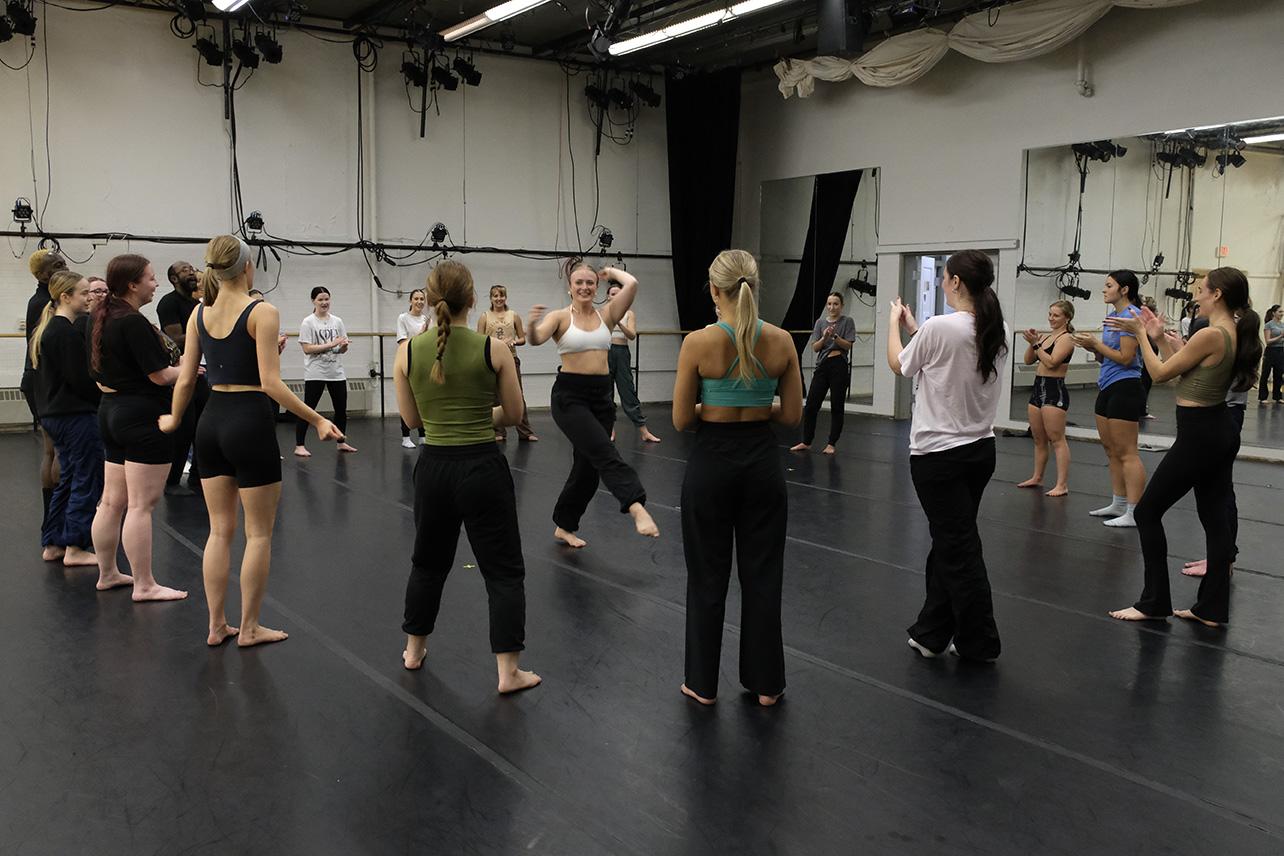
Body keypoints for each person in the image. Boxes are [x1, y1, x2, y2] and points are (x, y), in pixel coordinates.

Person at [162, 236, 343, 646]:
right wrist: (316, 419)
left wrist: (174, 417)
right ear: (247, 268)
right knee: (258, 534)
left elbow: (187, 377)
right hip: (248, 422)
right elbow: (270, 383)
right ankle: (248, 628)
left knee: (218, 532)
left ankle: (214, 626)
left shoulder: (198, 314)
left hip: (210, 424)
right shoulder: (263, 311)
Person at [393, 260, 540, 693]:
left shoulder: (407, 351)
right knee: (503, 571)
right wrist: (477, 413)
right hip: (482, 467)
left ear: (430, 298)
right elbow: (514, 415)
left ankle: (414, 650)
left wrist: (447, 414)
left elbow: (411, 419)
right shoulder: (492, 349)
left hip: (434, 467)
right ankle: (508, 672)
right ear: (473, 300)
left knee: (427, 563)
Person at [672, 250, 802, 707]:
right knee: (763, 576)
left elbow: (682, 420)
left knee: (707, 576)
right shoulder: (782, 342)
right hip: (763, 467)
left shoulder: (698, 343)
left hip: (712, 465)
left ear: (713, 290)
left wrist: (721, 407)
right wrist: (753, 405)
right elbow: (791, 416)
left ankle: (702, 685)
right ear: (754, 286)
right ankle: (767, 685)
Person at [1106, 268, 1261, 627]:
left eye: (1201, 290)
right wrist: (1160, 338)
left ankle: (1154, 602)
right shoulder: (1228, 331)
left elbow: (1159, 375)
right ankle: (1211, 608)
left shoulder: (1211, 333)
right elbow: (1183, 368)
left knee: (1146, 512)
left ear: (1218, 295)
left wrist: (1142, 335)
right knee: (1213, 517)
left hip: (1200, 435)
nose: (1197, 295)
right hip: (1217, 430)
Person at [886, 250, 1007, 663]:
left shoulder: (942, 327)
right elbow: (942, 355)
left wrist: (892, 326)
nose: (941, 282)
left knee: (958, 547)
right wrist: (914, 328)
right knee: (950, 542)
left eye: (945, 277)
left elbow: (899, 364)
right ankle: (932, 632)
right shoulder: (993, 326)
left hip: (940, 457)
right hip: (978, 452)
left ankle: (979, 641)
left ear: (955, 282)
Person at [527, 258, 659, 547]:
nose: (585, 287)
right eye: (579, 283)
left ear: (597, 285)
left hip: (601, 396)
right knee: (604, 450)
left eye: (590, 282)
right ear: (570, 287)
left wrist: (611, 271)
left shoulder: (607, 315)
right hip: (569, 397)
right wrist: (532, 323)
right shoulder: (561, 317)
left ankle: (564, 525)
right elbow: (535, 339)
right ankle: (636, 506)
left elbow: (632, 284)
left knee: (587, 468)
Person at [88, 254, 187, 602]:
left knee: (112, 500)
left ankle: (108, 573)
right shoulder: (131, 322)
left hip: (111, 412)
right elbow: (160, 374)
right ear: (132, 284)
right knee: (141, 505)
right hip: (142, 416)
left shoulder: (101, 315)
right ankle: (144, 584)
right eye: (150, 278)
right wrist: (190, 370)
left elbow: (100, 374)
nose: (155, 283)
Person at [30, 270, 106, 573]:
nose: (90, 298)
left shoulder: (54, 330)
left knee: (70, 478)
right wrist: (105, 392)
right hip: (74, 415)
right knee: (87, 478)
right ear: (66, 297)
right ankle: (75, 546)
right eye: (85, 293)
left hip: (56, 415)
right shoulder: (63, 332)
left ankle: (53, 543)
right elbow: (80, 380)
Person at [1071, 271, 1147, 528]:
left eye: (1108, 285)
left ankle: (1135, 511)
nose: (1104, 290)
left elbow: (1127, 358)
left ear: (1124, 290)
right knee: (1111, 450)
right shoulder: (1112, 317)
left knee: (1127, 453)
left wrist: (1097, 344)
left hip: (1126, 387)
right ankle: (1119, 501)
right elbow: (1108, 357)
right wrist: (1093, 348)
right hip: (1107, 385)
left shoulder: (1130, 316)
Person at [21, 249, 68, 536]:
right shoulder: (43, 303)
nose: (64, 266)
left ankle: (53, 519)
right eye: (58, 265)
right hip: (42, 381)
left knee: (53, 450)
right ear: (43, 275)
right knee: (56, 449)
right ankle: (56, 519)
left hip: (39, 379)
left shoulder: (43, 300)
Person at [156, 260, 207, 496]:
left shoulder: (197, 304)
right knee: (184, 429)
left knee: (203, 428)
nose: (191, 272)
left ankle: (198, 476)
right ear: (174, 279)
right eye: (184, 270)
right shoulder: (169, 302)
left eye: (191, 268)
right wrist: (206, 329)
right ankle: (172, 481)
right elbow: (174, 338)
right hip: (182, 372)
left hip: (202, 372)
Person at [1017, 300, 1076, 496]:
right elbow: (1028, 360)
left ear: (1067, 318)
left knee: (1057, 439)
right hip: (1037, 389)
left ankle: (1062, 484)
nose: (1051, 318)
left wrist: (1036, 345)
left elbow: (1051, 362)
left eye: (1056, 315)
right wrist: (1032, 343)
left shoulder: (1066, 339)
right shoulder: (1046, 337)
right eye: (1050, 314)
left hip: (1053, 390)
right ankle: (1037, 477)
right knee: (1038, 439)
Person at [294, 286, 358, 456]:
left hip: (336, 372)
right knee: (308, 409)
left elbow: (341, 350)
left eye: (327, 299)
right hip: (316, 372)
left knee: (341, 409)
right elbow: (307, 349)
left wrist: (342, 347)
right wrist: (331, 344)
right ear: (313, 301)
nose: (324, 302)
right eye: (320, 299)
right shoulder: (308, 322)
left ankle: (341, 442)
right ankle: (299, 445)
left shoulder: (337, 321)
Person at [791, 292, 856, 455]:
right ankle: (806, 441)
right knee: (811, 404)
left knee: (836, 405)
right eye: (829, 304)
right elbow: (815, 347)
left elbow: (847, 345)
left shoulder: (847, 321)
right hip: (822, 366)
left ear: (841, 306)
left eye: (835, 304)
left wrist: (834, 336)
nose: (832, 307)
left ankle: (831, 443)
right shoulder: (820, 323)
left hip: (838, 365)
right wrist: (825, 336)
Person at [476, 284, 538, 442]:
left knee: (518, 394)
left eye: (501, 296)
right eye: (495, 296)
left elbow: (523, 338)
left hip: (511, 358)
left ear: (505, 297)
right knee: (494, 395)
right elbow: (478, 340)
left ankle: (525, 432)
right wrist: (493, 342)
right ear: (491, 298)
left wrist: (514, 342)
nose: (498, 299)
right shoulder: (485, 316)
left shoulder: (513, 315)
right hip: (491, 360)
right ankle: (498, 431)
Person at [606, 284, 661, 444]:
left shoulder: (629, 313)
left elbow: (631, 335)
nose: (616, 296)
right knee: (606, 392)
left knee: (628, 391)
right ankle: (609, 429)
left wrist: (619, 322)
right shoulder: (603, 312)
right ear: (608, 296)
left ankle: (644, 431)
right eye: (613, 293)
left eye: (619, 293)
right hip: (606, 352)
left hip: (622, 353)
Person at [396, 289, 431, 447]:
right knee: (407, 399)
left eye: (422, 299)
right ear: (410, 301)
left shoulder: (427, 319)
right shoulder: (403, 318)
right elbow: (403, 343)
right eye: (416, 299)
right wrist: (421, 335)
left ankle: (423, 435)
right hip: (408, 362)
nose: (419, 302)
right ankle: (405, 437)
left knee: (423, 399)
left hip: (424, 362)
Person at [1258, 304, 1283, 404]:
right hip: (1271, 351)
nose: (1282, 314)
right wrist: (1280, 336)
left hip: (1280, 351)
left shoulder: (1282, 325)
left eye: (1282, 312)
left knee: (1279, 374)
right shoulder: (1269, 325)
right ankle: (1263, 397)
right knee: (1265, 374)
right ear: (1274, 313)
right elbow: (1268, 341)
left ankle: (1277, 396)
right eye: (1280, 312)